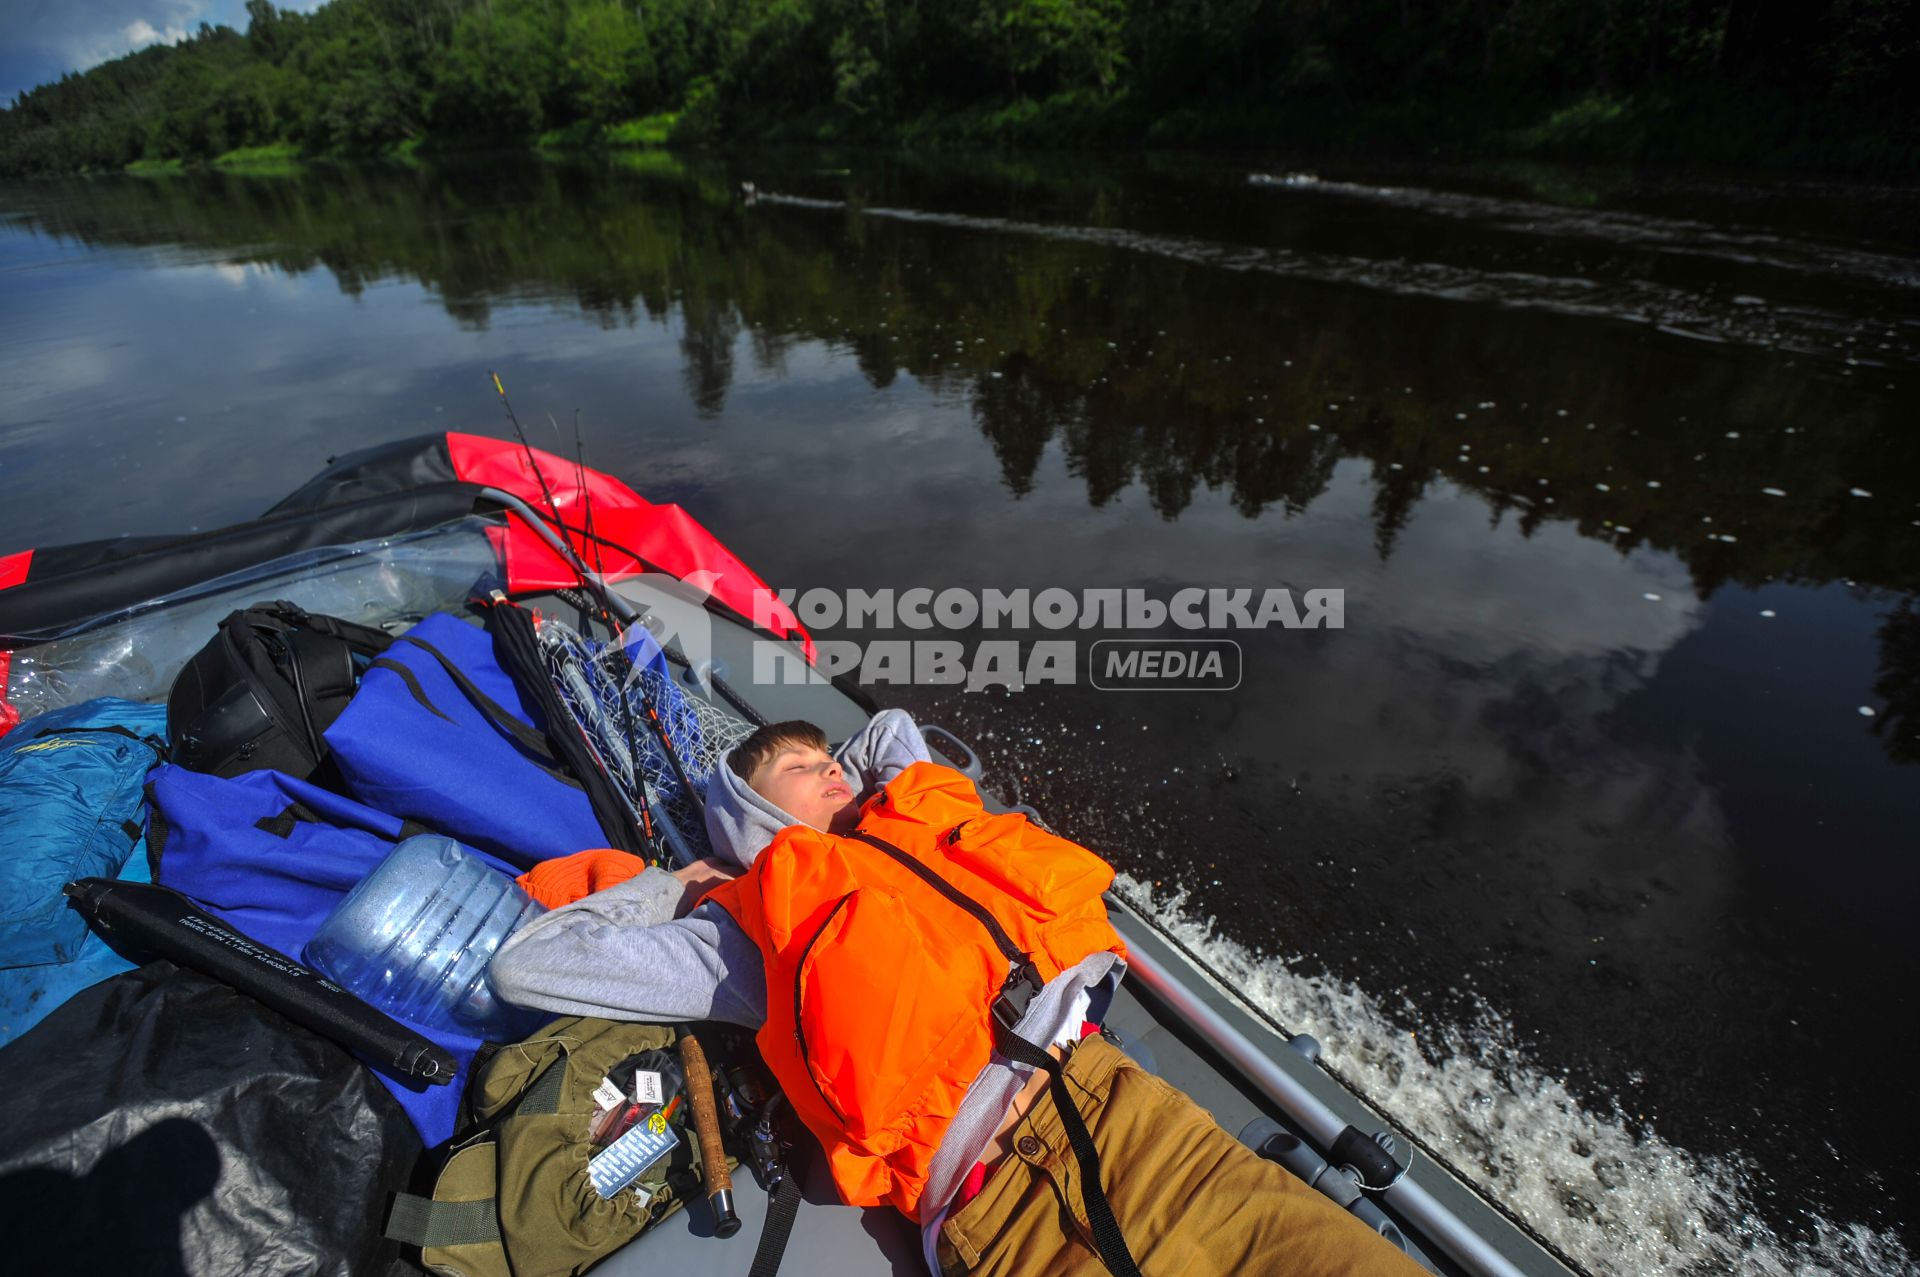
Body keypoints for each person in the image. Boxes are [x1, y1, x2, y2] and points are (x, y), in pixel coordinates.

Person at [491, 711, 1421, 1277]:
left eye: (833, 759)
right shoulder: (749, 929)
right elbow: (529, 962)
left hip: (1134, 1106)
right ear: (759, 818)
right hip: (1011, 1204)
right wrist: (688, 881)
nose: (840, 772)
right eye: (805, 772)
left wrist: (843, 785)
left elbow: (891, 729)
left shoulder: (921, 822)